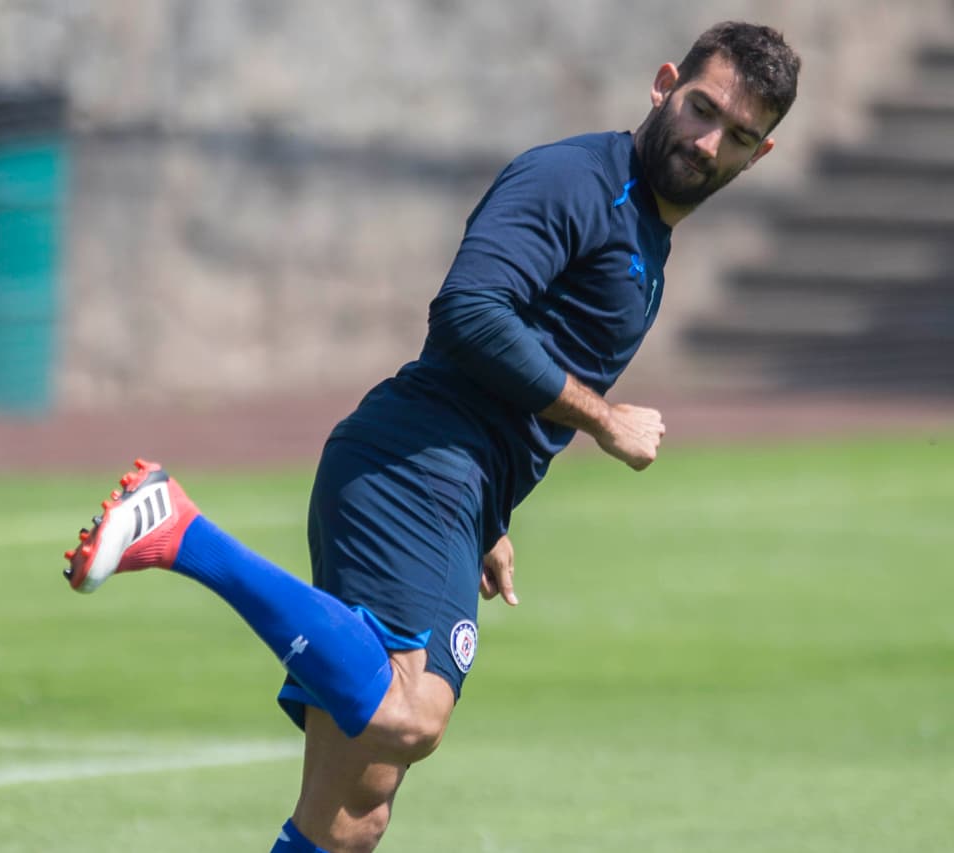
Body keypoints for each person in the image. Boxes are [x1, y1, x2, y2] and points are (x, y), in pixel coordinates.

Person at [61, 21, 800, 853]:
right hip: (411, 464)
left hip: (456, 486)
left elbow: (521, 365)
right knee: (408, 715)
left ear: (759, 154)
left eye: (737, 135)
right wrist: (603, 418)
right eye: (702, 109)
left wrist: (492, 519)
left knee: (350, 817)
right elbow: (469, 313)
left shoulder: (650, 236)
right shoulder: (572, 180)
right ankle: (181, 531)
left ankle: (187, 533)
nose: (707, 143)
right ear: (664, 83)